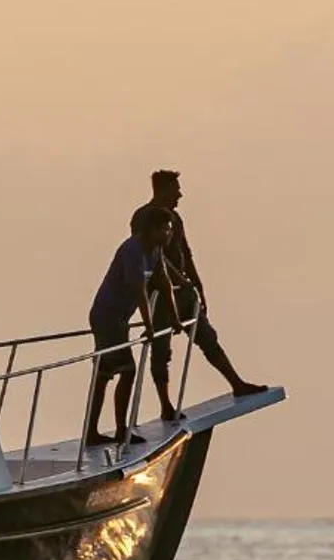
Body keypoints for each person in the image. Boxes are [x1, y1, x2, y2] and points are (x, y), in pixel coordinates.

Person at [134, 169, 267, 412]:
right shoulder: (143, 217)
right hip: (161, 293)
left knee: (207, 337)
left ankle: (236, 382)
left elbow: (185, 252)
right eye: (176, 190)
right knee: (161, 350)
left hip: (184, 291)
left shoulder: (176, 219)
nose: (180, 195)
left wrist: (196, 284)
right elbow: (152, 255)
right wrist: (177, 281)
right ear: (163, 190)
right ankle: (166, 405)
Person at [86, 205, 175, 447]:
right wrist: (149, 326)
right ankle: (120, 430)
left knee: (104, 374)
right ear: (154, 229)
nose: (170, 234)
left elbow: (163, 282)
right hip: (107, 316)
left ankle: (92, 432)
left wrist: (175, 318)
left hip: (119, 319)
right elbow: (139, 291)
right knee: (127, 370)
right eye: (166, 229)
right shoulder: (133, 250)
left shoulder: (155, 251)